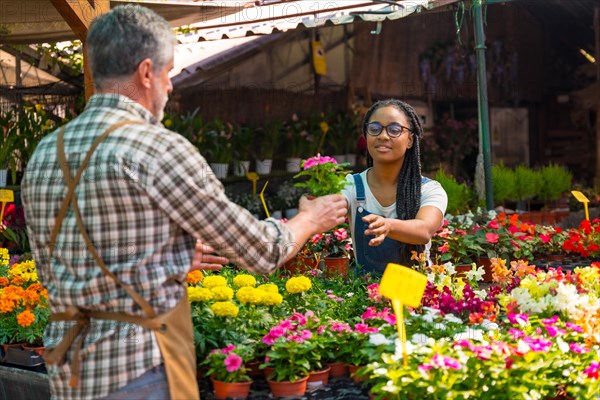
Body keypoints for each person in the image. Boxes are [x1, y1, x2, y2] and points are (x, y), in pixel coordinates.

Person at [20, 5, 347, 400]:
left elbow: (59, 264)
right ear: (145, 73)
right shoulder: (156, 147)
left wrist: (163, 258)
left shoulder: (43, 153)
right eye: (167, 72)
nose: (170, 86)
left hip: (68, 367)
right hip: (137, 369)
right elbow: (262, 250)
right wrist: (310, 219)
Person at [341, 99, 447, 275]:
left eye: (394, 130)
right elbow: (333, 206)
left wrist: (388, 226)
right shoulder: (351, 185)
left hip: (415, 296)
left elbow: (424, 229)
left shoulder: (429, 190)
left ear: (410, 140)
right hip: (364, 296)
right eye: (374, 129)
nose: (383, 136)